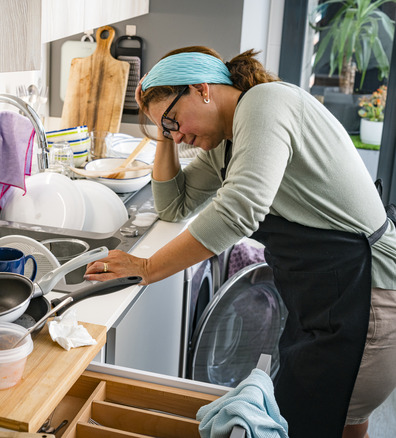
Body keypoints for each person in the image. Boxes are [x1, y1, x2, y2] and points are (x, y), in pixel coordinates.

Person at [84, 46, 396, 438]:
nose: (178, 135)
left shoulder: (266, 103)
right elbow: (173, 206)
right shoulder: (226, 144)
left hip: (368, 294)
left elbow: (240, 209)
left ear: (202, 89)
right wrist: (163, 131)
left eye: (175, 120)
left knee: (331, 421)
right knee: (327, 420)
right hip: (325, 295)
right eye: (169, 129)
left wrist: (146, 268)